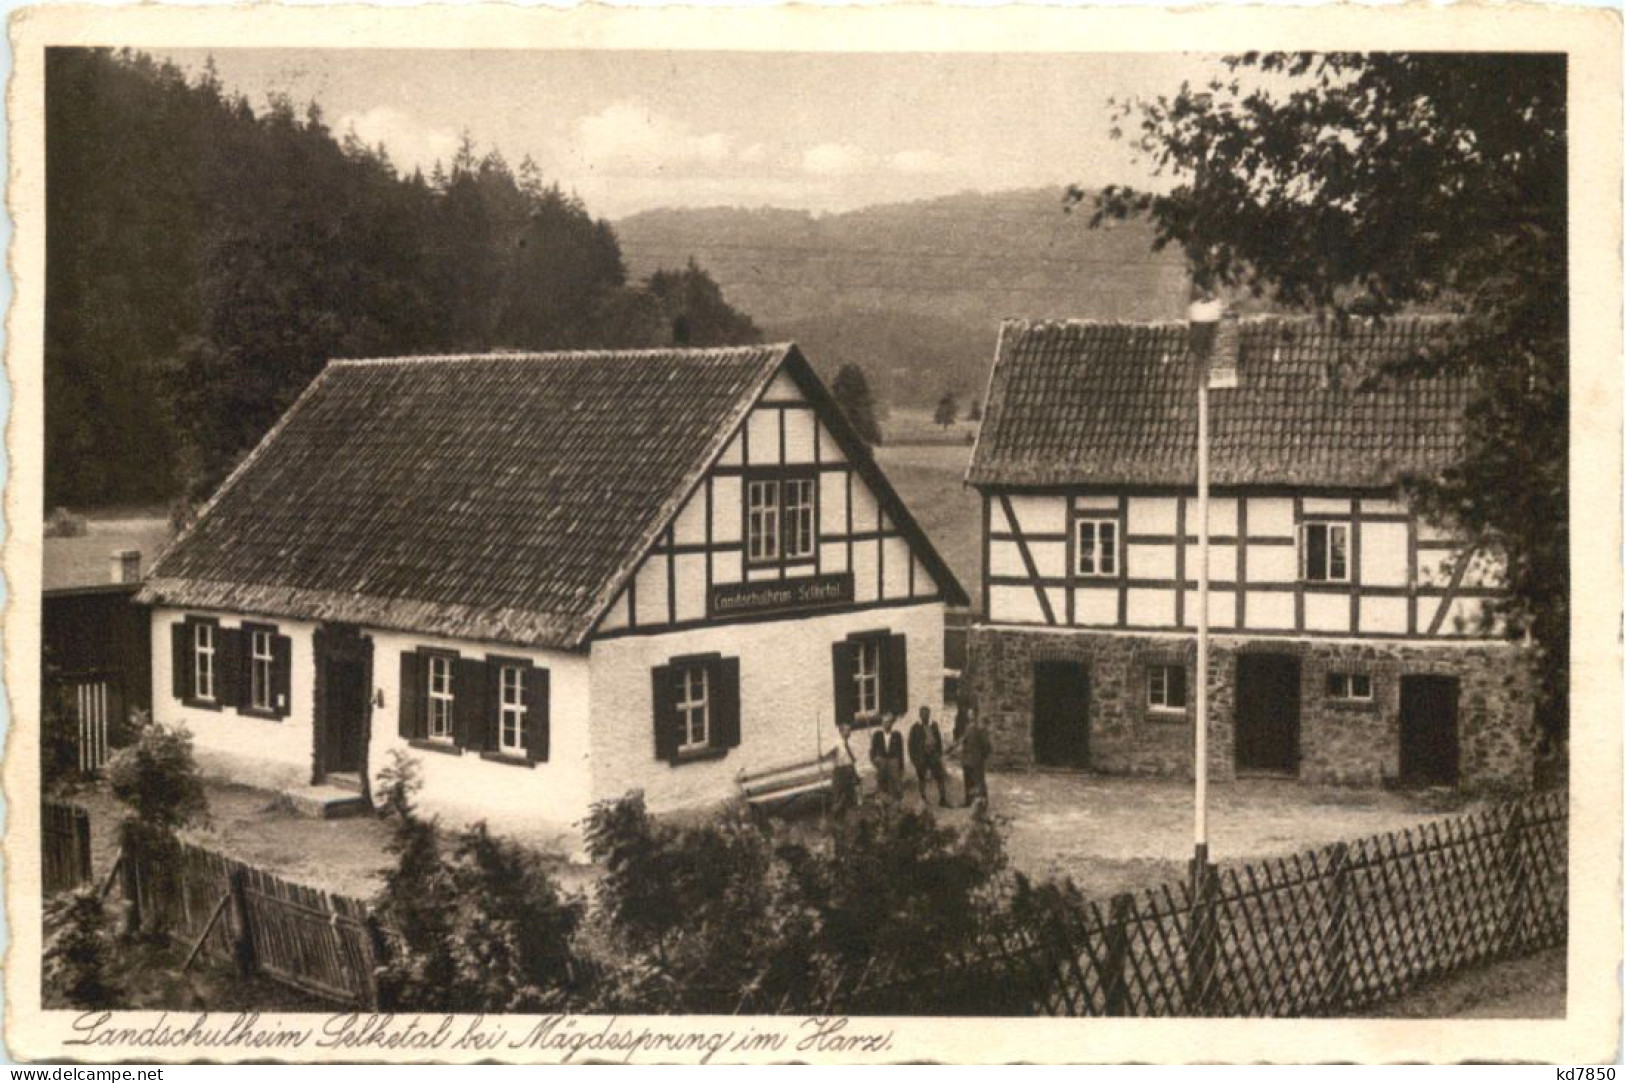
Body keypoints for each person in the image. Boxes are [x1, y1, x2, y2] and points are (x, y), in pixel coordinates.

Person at [907, 705, 950, 807]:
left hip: (933, 755)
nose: (925, 717)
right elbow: (911, 745)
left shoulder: (934, 726)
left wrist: (939, 754)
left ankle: (943, 799)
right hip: (922, 757)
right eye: (923, 715)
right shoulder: (915, 728)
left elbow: (938, 740)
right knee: (922, 778)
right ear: (920, 716)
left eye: (927, 714)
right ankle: (923, 799)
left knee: (939, 776)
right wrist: (914, 759)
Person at [950, 705, 992, 809]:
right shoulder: (968, 727)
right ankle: (968, 801)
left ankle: (983, 803)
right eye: (968, 714)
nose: (970, 716)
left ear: (976, 715)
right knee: (968, 781)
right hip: (966, 759)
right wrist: (952, 749)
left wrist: (982, 757)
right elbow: (962, 740)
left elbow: (987, 746)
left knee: (979, 781)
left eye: (971, 714)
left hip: (976, 760)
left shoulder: (980, 728)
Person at [869, 713, 905, 800]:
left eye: (889, 722)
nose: (886, 724)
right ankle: (882, 801)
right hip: (882, 760)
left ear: (892, 724)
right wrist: (874, 760)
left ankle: (897, 800)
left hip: (893, 760)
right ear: (882, 723)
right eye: (884, 722)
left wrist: (901, 766)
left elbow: (900, 751)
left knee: (896, 782)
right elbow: (872, 750)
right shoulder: (877, 735)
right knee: (881, 781)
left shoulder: (897, 735)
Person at [830, 719, 860, 816]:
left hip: (849, 770)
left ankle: (851, 814)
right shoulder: (836, 743)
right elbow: (829, 754)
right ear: (841, 731)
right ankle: (837, 816)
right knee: (839, 796)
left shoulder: (851, 743)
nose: (849, 732)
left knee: (851, 794)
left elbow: (854, 759)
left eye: (850, 730)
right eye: (846, 730)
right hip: (839, 771)